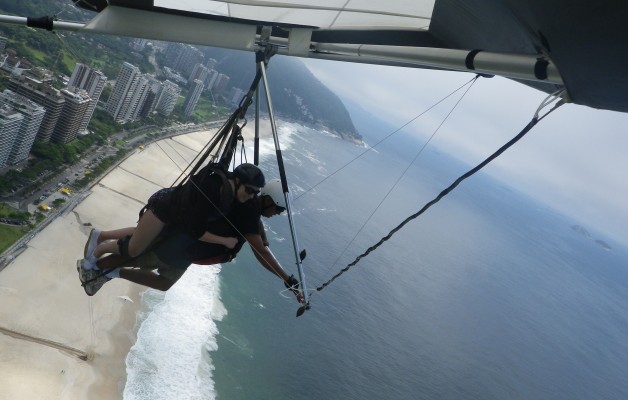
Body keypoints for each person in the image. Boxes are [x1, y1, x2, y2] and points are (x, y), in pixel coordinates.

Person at [78, 179, 303, 302]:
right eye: (279, 209)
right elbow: (261, 252)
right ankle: (96, 267)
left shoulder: (252, 206)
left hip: (189, 252)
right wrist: (287, 279)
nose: (278, 213)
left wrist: (262, 233)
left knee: (163, 283)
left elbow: (255, 226)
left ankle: (108, 270)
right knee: (130, 256)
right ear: (268, 200)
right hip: (182, 247)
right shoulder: (249, 214)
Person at [82, 163, 265, 269]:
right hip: (163, 210)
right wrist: (225, 242)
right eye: (249, 190)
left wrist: (262, 236)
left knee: (143, 233)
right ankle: (101, 249)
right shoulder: (213, 189)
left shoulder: (231, 192)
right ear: (237, 181)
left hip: (175, 213)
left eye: (255, 193)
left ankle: (100, 235)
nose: (251, 196)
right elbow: (197, 231)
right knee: (134, 250)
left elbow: (253, 216)